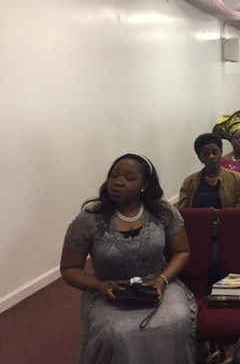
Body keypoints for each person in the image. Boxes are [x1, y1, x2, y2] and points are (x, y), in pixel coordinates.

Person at [61, 153, 197, 364]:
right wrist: (98, 286)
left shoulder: (163, 212)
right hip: (109, 289)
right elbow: (69, 268)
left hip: (159, 283)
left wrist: (163, 279)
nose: (118, 182)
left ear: (144, 185)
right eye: (114, 176)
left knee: (175, 320)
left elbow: (182, 251)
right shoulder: (89, 220)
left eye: (129, 178)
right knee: (115, 332)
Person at [178, 133, 240, 209]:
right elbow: (184, 213)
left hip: (228, 221)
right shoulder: (189, 182)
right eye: (206, 154)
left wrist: (218, 215)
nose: (211, 156)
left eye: (215, 152)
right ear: (200, 158)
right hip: (198, 220)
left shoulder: (237, 179)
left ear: (221, 153)